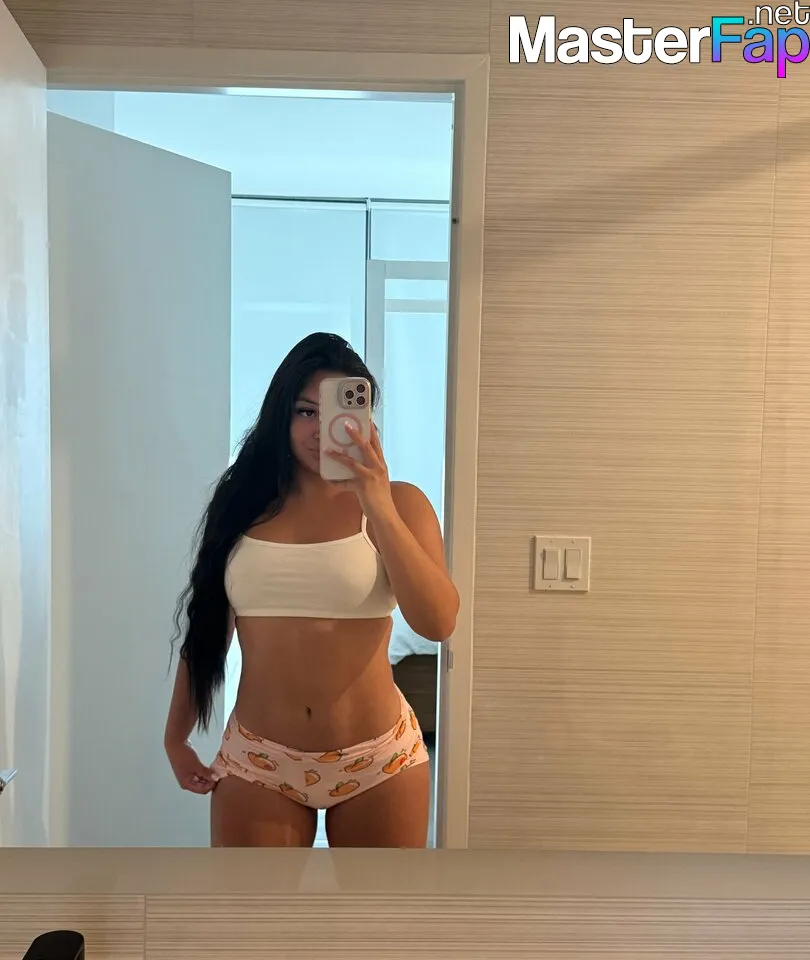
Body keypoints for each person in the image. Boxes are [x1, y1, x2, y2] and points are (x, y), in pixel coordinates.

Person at [163, 332, 459, 848]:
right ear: (281, 415)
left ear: (364, 419)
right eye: (305, 411)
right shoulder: (241, 505)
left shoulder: (402, 503)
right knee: (252, 905)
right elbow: (208, 627)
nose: (321, 430)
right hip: (260, 758)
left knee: (377, 906)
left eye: (338, 413)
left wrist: (377, 503)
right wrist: (176, 737)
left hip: (379, 759)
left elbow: (438, 622)